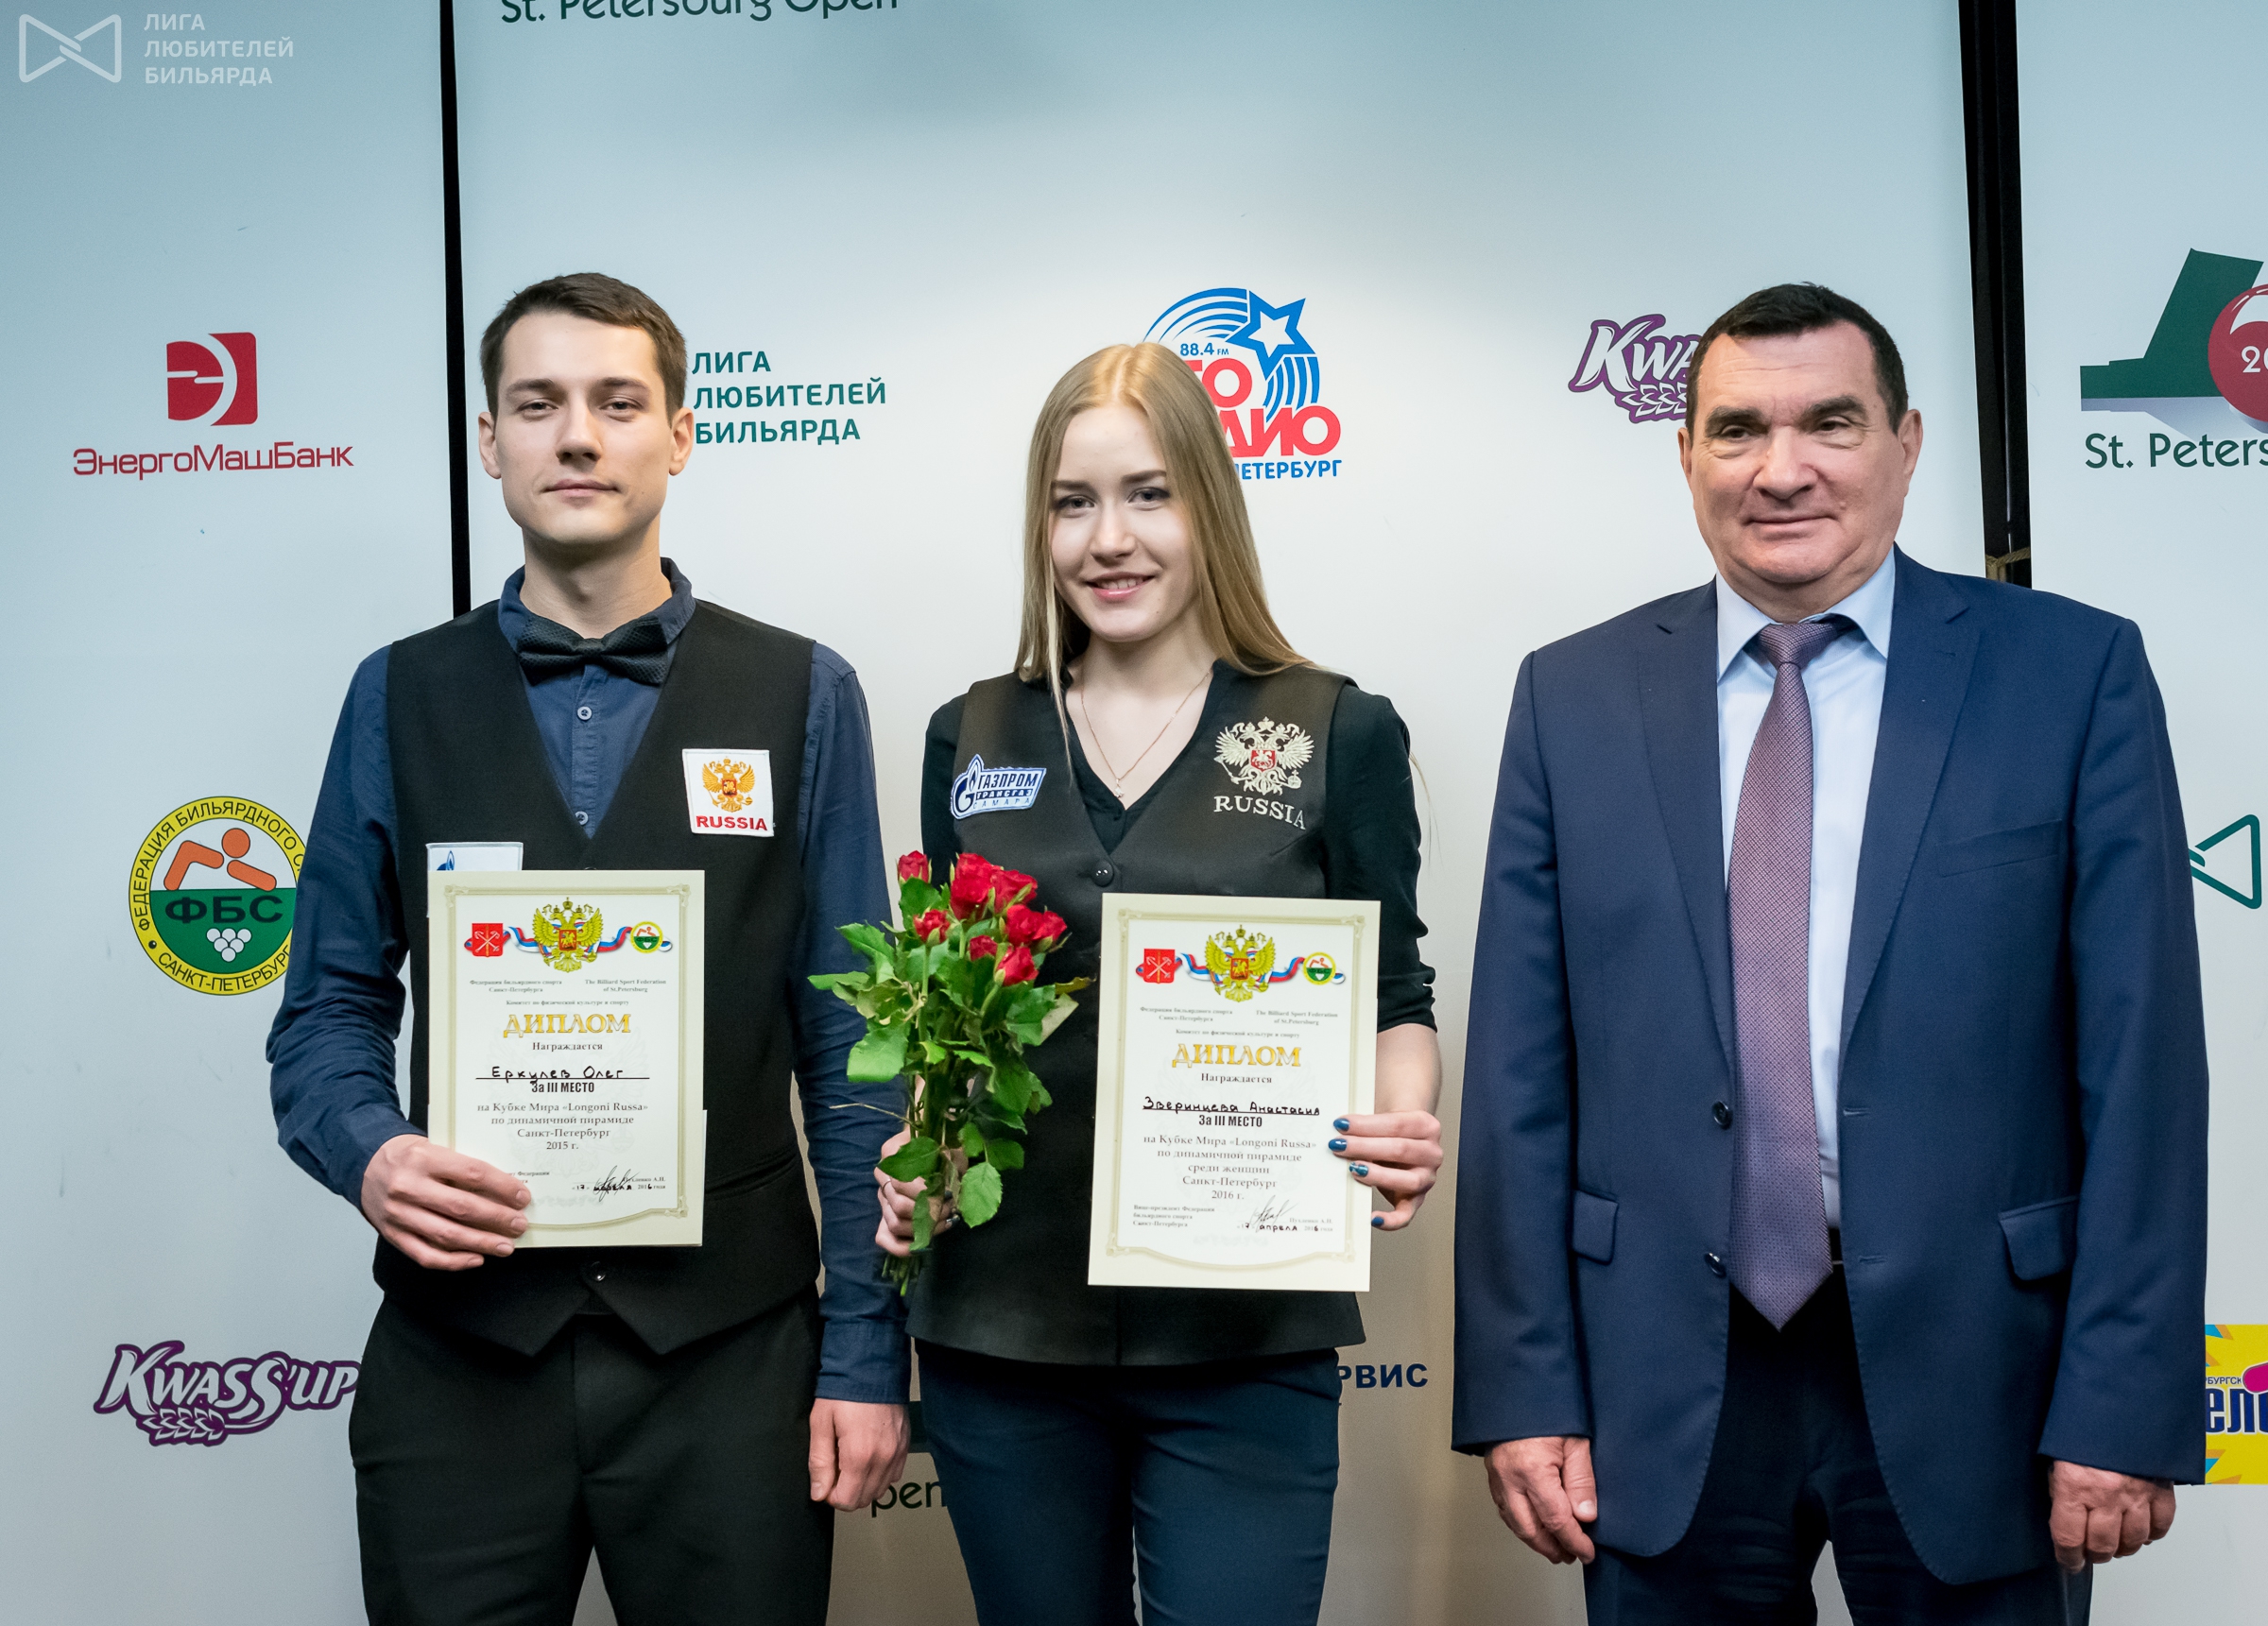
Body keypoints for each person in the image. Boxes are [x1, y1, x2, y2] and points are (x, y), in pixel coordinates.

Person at [1452, 282, 2208, 1623]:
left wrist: (2125, 1398)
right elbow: (1519, 1076)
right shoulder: (1571, 696)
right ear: (1685, 454)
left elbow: (2143, 1069)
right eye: (1738, 429)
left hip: (1986, 1374)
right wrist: (1525, 1388)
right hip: (1662, 1382)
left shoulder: (2071, 674)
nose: (1782, 467)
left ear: (1906, 445)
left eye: (1831, 424)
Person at [266, 272, 908, 1625]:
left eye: (618, 402)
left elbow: (855, 1046)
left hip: (732, 1358)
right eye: (538, 403)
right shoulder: (395, 693)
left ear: (680, 434)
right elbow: (325, 1007)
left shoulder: (804, 692)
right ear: (488, 442)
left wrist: (864, 1344)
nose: (577, 435)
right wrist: (370, 1152)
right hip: (461, 1354)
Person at [876, 342, 1444, 1626]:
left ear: (1211, 505)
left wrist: (1403, 1117)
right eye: (1072, 502)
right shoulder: (971, 733)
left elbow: (1393, 995)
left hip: (1242, 1337)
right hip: (1002, 1332)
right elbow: (944, 1020)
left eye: (1149, 494)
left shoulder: (1333, 728)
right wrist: (918, 1155)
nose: (1109, 539)